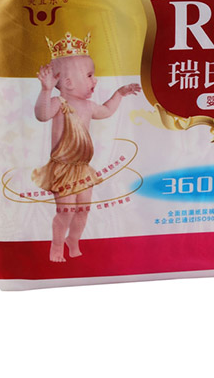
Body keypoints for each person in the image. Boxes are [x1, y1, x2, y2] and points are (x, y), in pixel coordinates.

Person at [32, 32, 141, 262]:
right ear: (68, 83)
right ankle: (57, 246)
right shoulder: (58, 103)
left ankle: (73, 239)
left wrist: (119, 94)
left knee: (83, 210)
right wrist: (46, 90)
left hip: (82, 168)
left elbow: (107, 111)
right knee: (66, 211)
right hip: (63, 168)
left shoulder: (89, 106)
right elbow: (41, 115)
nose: (95, 80)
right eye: (90, 75)